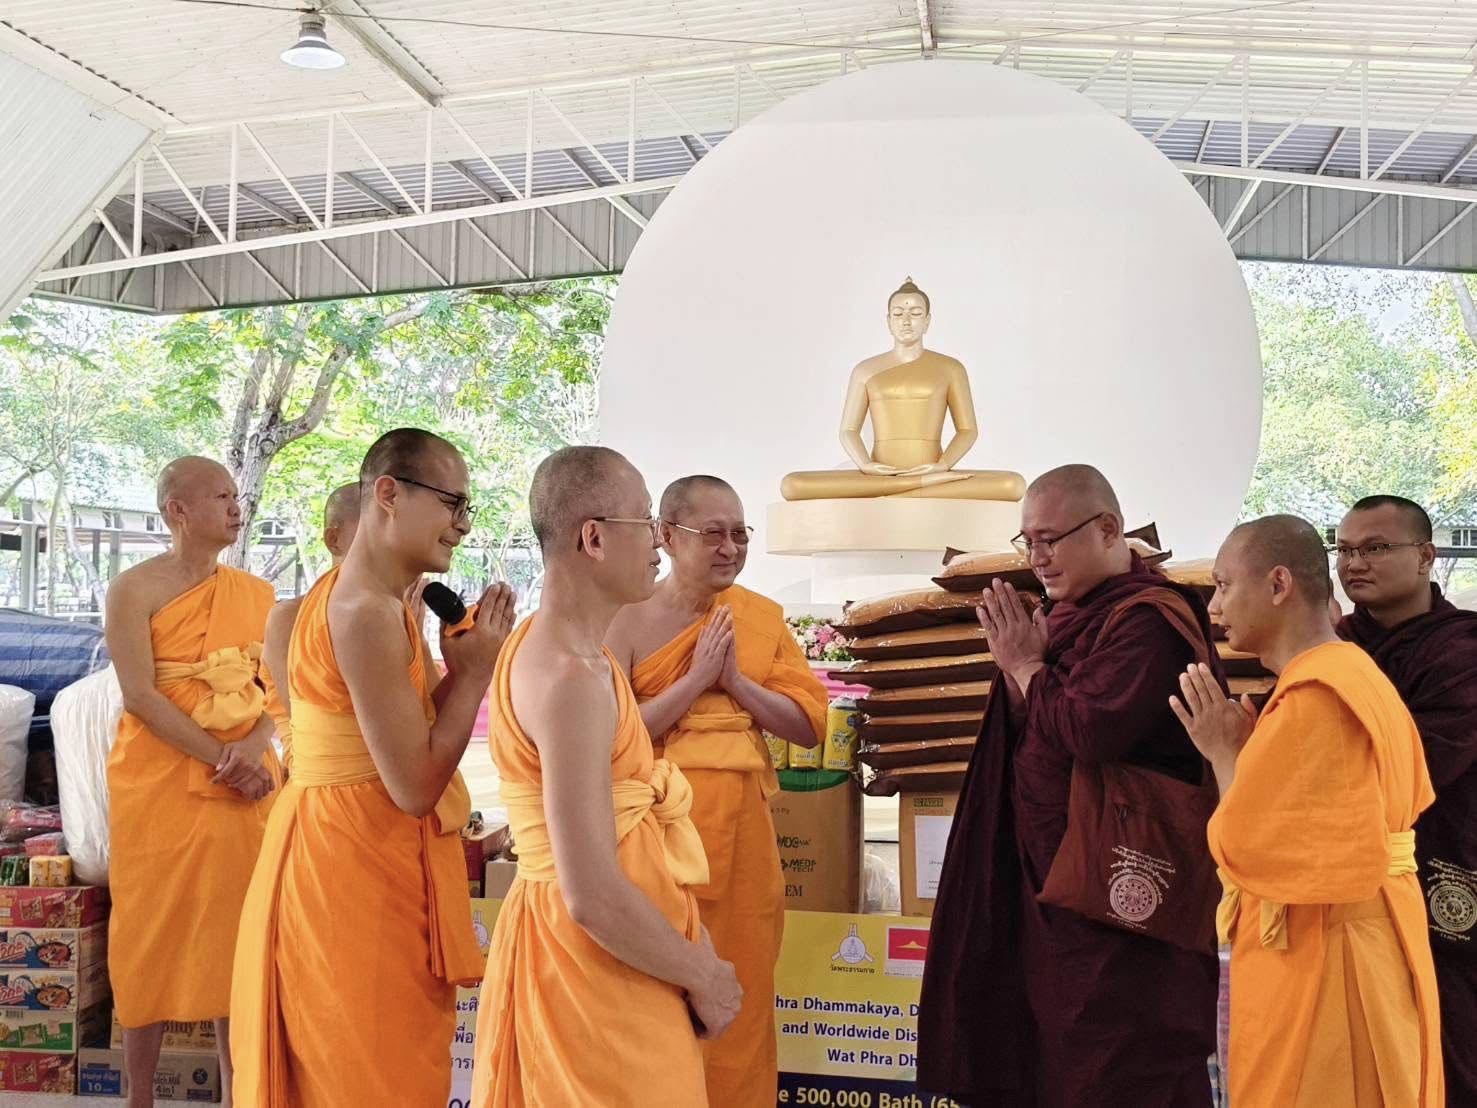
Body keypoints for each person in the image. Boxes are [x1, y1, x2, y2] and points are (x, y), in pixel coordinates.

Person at [917, 464, 1220, 1107]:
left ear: (1108, 529)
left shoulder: (1148, 621)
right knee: (1047, 1054)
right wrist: (1029, 666)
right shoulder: (1064, 618)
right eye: (1027, 541)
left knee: (1117, 1061)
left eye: (1051, 539)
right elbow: (1034, 733)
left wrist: (1026, 664)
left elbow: (1089, 730)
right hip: (1049, 880)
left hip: (1115, 892)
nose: (1038, 558)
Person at [231, 428, 515, 1106]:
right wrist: (473, 676)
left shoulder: (364, 602)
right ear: (387, 493)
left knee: (376, 1057)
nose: (463, 525)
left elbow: (399, 739)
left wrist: (458, 670)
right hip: (351, 864)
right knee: (367, 1067)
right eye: (452, 503)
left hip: (346, 844)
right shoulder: (360, 612)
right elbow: (415, 785)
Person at [473, 446, 742, 1107]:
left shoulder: (576, 657)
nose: (658, 540)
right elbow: (589, 892)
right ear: (592, 537)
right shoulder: (568, 679)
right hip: (594, 966)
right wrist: (701, 975)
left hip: (624, 952)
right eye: (645, 521)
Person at [1172, 513, 1443, 1106]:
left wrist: (1223, 755)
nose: (1215, 607)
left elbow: (1251, 847)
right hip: (1370, 931)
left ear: (1277, 585)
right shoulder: (1352, 673)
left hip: (1335, 951)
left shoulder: (1318, 696)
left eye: (1222, 586)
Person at [606, 475, 827, 1106]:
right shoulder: (625, 617)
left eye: (739, 533)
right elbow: (612, 737)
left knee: (743, 991)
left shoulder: (759, 620)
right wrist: (696, 678)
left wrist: (733, 682)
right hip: (653, 835)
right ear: (667, 536)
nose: (730, 548)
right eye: (714, 534)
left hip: (744, 836)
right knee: (660, 989)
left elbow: (808, 726)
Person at [104, 456, 281, 1108]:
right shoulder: (134, 589)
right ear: (178, 510)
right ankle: (139, 1094)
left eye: (237, 496)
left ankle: (241, 1092)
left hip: (245, 783)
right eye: (220, 496)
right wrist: (219, 757)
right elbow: (139, 695)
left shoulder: (255, 595)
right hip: (160, 782)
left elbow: (276, 692)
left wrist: (254, 749)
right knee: (147, 932)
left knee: (234, 931)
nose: (236, 507)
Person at [1334, 494, 1477, 1101]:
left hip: (1443, 847)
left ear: (1425, 556)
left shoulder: (1461, 649)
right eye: (1343, 550)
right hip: (1346, 865)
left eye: (1374, 548)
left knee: (1449, 1023)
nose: (1353, 563)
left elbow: (1418, 760)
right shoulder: (1334, 644)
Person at [260, 481, 361, 769]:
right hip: (325, 791)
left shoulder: (400, 614)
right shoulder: (289, 618)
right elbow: (320, 726)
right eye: (371, 532)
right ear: (334, 539)